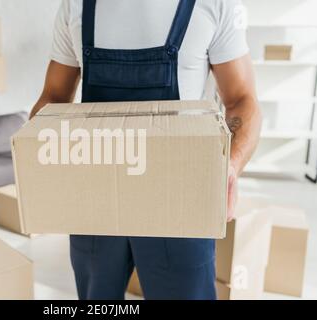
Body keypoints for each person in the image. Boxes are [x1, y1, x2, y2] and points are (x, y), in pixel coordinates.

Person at [30, 0, 261, 300]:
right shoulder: (76, 6)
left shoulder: (214, 4)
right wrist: (35, 160)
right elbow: (53, 97)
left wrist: (230, 165)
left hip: (181, 201)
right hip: (94, 200)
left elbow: (243, 100)